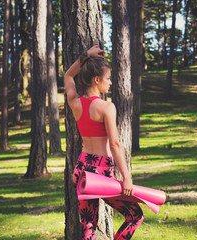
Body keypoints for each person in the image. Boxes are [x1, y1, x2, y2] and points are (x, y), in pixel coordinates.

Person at [64, 45, 144, 240]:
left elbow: (67, 76)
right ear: (97, 80)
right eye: (108, 79)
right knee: (135, 216)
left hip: (82, 169)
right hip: (101, 172)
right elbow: (115, 144)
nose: (110, 82)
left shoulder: (75, 103)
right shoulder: (107, 107)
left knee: (89, 227)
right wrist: (126, 177)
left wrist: (85, 56)